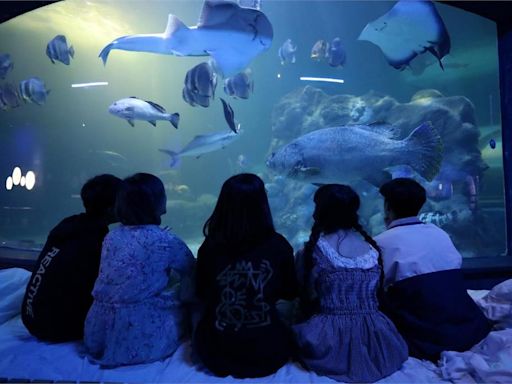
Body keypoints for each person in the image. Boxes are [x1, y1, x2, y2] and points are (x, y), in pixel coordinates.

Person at [293, 184, 408, 383]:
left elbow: (307, 297)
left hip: (329, 339)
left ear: (320, 211)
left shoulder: (313, 251)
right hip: (377, 338)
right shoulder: (372, 249)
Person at [84, 173, 195, 367]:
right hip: (141, 338)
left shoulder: (111, 237)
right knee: (186, 289)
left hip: (96, 333)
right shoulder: (167, 241)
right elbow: (193, 270)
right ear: (159, 202)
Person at [375, 178, 491, 362]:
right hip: (467, 327)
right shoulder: (439, 233)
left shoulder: (380, 243)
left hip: (424, 336)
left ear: (388, 207)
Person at [194, 173, 298, 378]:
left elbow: (202, 293)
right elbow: (290, 292)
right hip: (269, 351)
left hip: (215, 351)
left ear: (223, 204)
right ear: (263, 205)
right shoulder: (278, 245)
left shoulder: (209, 247)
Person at [21, 174, 121, 342]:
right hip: (56, 329)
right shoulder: (96, 237)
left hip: (30, 318)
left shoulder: (69, 224)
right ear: (110, 208)